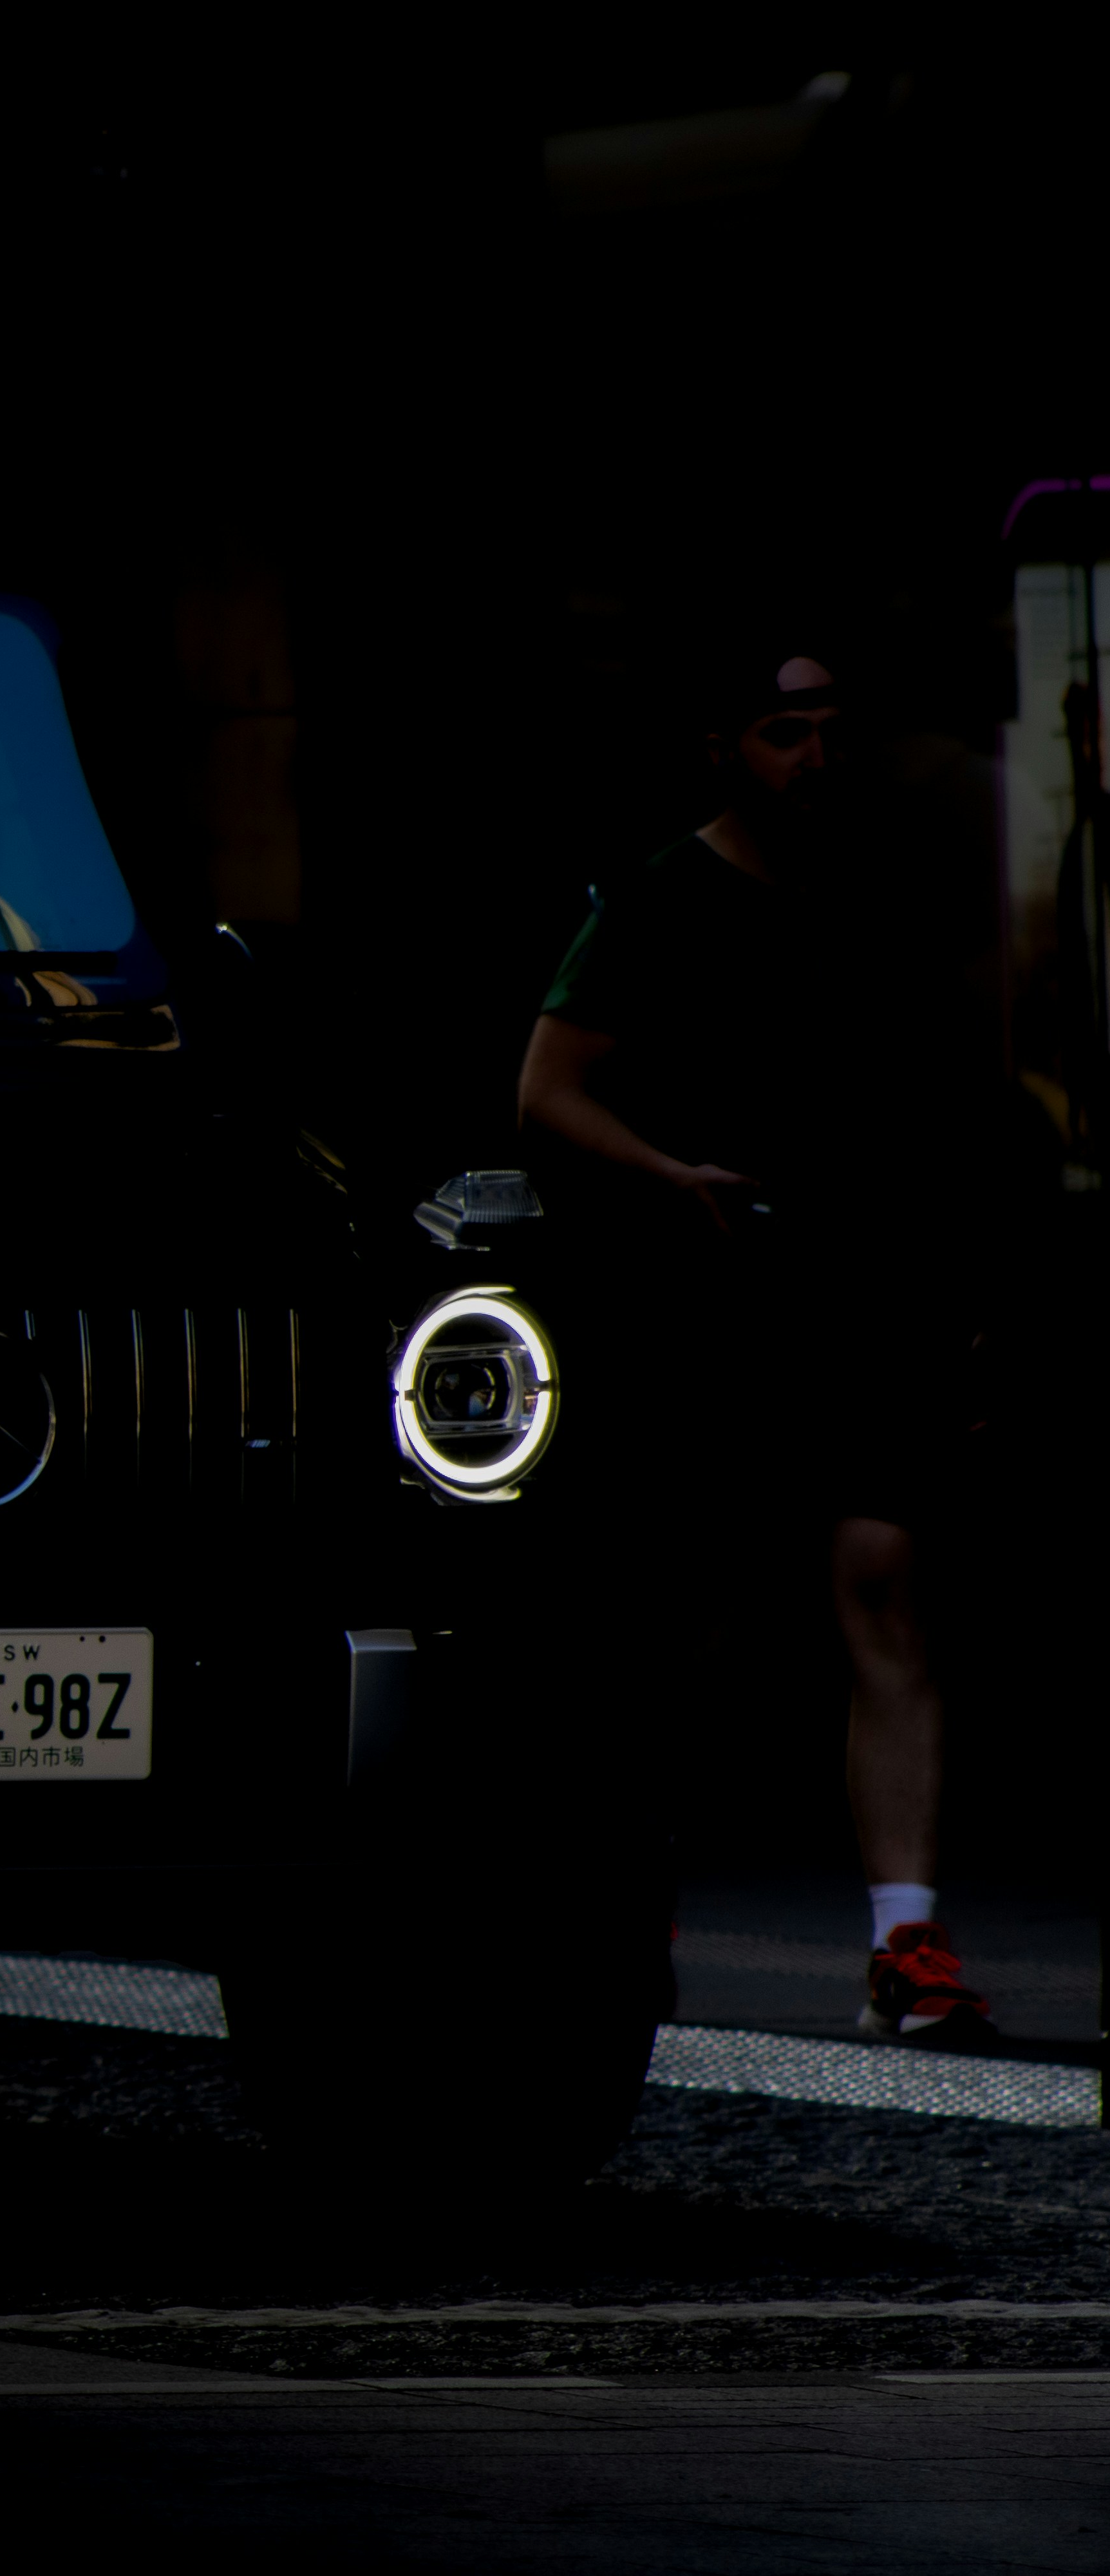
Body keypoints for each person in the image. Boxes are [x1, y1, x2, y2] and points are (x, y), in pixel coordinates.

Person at [514, 647, 1004, 2049]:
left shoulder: (880, 894)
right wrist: (665, 1174)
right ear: (724, 747)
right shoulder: (657, 899)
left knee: (886, 1580)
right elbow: (545, 1091)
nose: (817, 757)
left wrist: (966, 1295)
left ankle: (905, 1938)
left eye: (833, 732)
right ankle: (620, 1910)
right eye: (788, 734)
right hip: (714, 1308)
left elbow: (941, 1105)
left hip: (870, 1298)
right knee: (690, 1621)